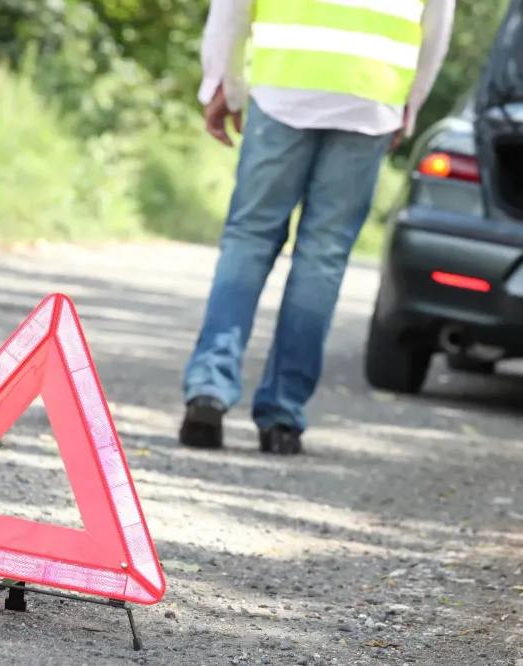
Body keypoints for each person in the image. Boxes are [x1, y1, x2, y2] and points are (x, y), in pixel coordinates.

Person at [179, 0, 457, 455]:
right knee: (322, 257)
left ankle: (208, 389)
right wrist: (408, 103)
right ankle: (282, 417)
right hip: (370, 95)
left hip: (285, 86)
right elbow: (436, 24)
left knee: (248, 241)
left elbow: (232, 8)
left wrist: (223, 84)